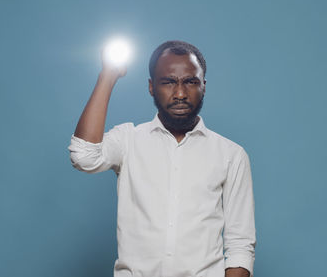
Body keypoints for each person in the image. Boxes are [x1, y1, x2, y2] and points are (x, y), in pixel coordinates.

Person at [68, 40, 256, 277]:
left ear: (204, 86)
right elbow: (83, 157)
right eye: (168, 82)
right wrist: (108, 76)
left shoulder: (231, 155)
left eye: (190, 82)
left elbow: (240, 245)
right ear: (151, 87)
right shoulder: (128, 141)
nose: (180, 93)